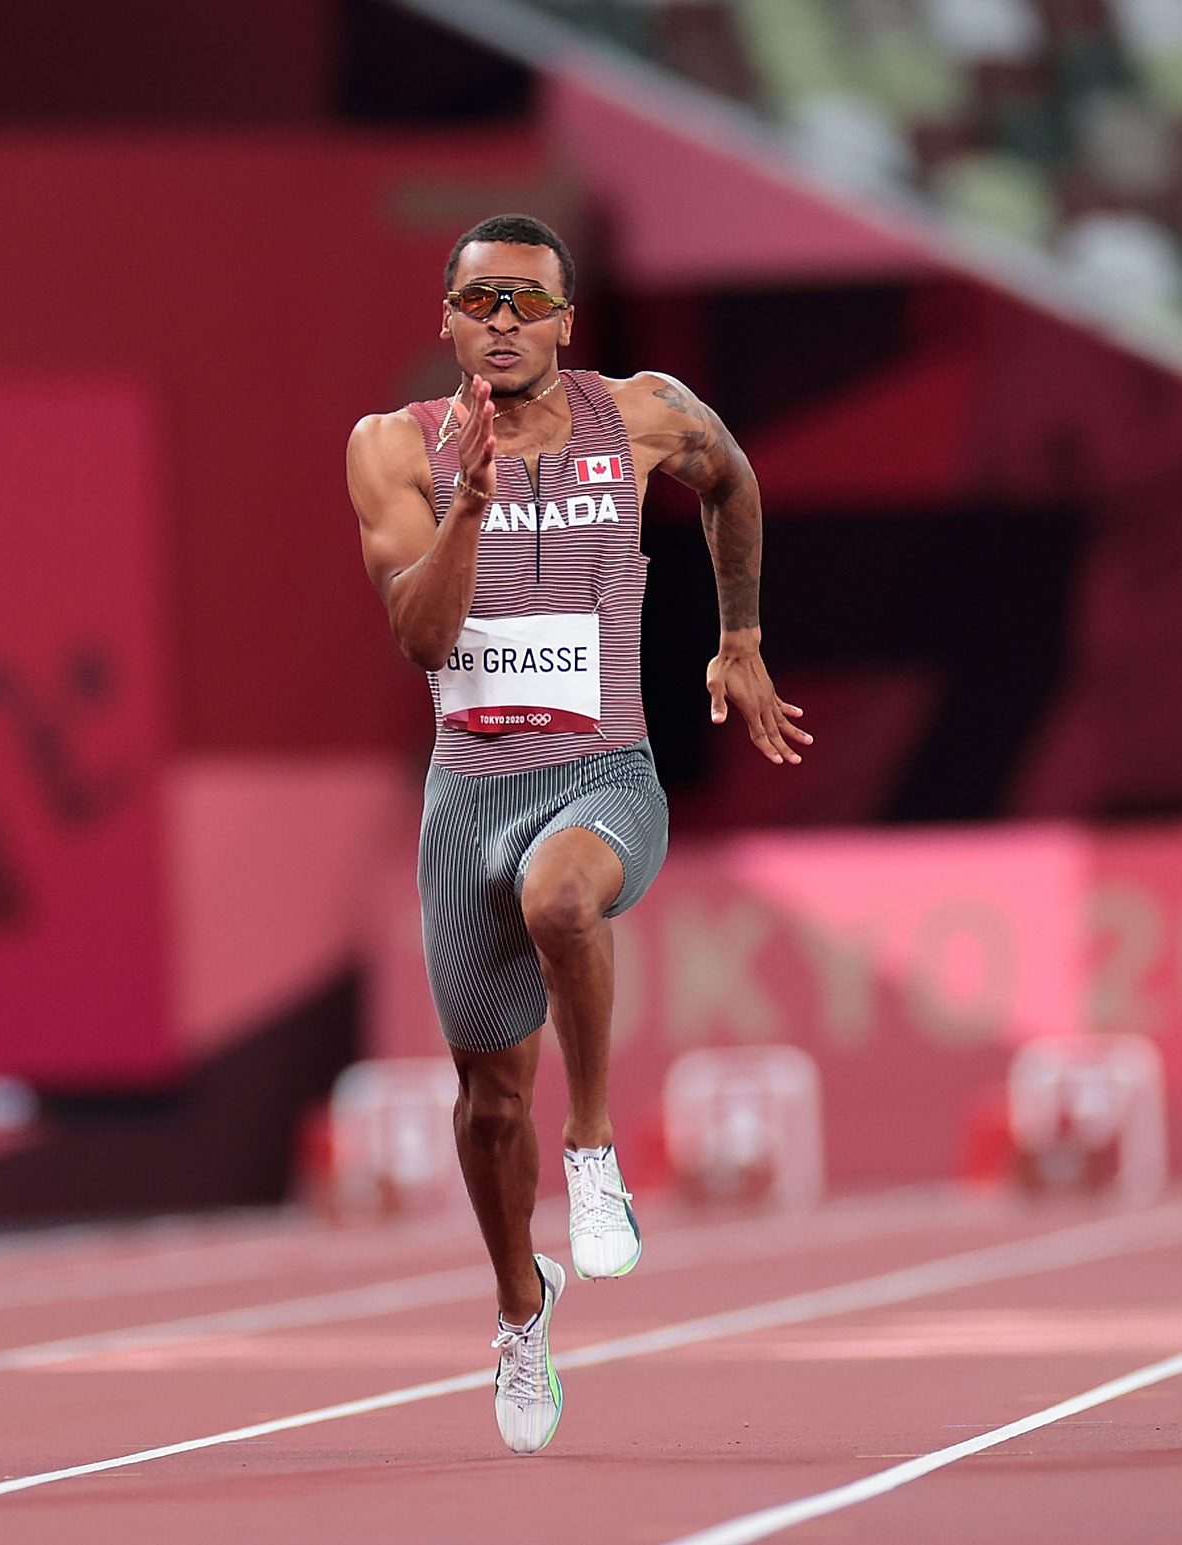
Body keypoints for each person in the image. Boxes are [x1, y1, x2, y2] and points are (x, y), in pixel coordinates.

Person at [346, 213, 809, 1454]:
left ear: (566, 321)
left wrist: (743, 636)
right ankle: (517, 1306)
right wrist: (467, 514)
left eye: (526, 303)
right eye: (479, 301)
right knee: (486, 1105)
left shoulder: (643, 412)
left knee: (561, 898)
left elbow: (734, 478)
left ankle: (595, 1144)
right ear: (445, 317)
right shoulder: (392, 449)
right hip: (469, 794)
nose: (503, 322)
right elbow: (421, 640)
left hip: (605, 775)